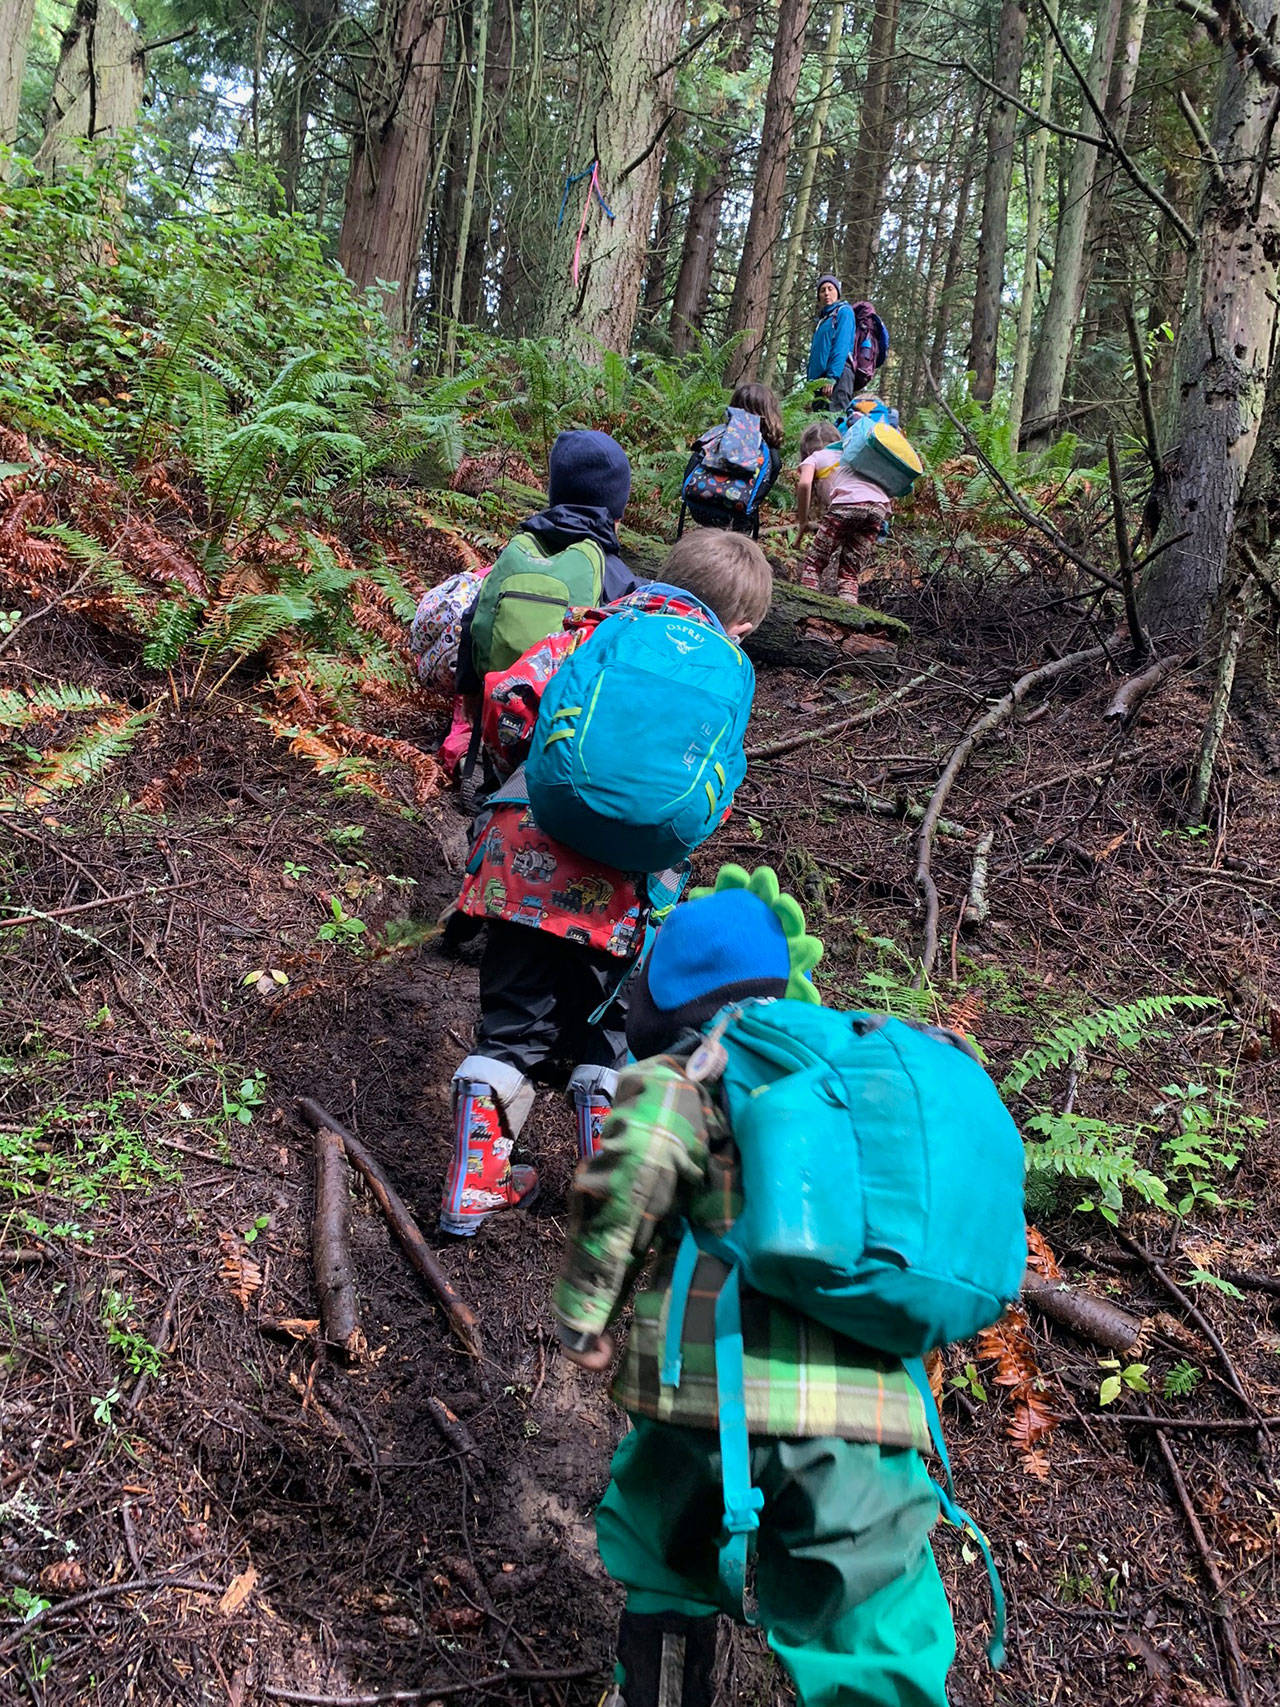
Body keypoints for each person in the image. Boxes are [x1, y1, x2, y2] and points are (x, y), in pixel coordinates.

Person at [552, 874, 959, 1707]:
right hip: (859, 1421)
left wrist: (587, 1310)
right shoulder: (849, 1073)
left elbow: (632, 1173)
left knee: (668, 1555)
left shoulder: (689, 1071)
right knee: (871, 1618)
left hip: (699, 1399)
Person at [440, 533, 773, 1237]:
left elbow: (510, 700)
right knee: (609, 1035)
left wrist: (529, 772)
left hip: (522, 853)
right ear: (740, 627)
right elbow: (713, 792)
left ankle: (475, 1186)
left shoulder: (595, 629)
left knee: (513, 1023)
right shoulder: (724, 672)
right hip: (629, 885)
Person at [454, 428, 639, 709]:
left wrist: (469, 694)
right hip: (563, 728)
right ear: (618, 512)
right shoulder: (619, 578)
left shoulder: (519, 553)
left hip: (498, 711)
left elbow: (475, 621)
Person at [793, 429, 892, 604]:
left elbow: (804, 483)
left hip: (848, 505)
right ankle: (848, 613)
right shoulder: (852, 457)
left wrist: (803, 522)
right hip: (879, 508)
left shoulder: (815, 456)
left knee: (814, 563)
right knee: (849, 572)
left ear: (807, 450)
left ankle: (806, 606)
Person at [679, 382, 785, 539]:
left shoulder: (718, 434)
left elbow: (694, 462)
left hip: (700, 506)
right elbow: (763, 489)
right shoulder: (770, 451)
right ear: (770, 413)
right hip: (739, 516)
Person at [806, 274, 856, 413]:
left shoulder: (844, 312)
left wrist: (832, 377)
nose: (826, 293)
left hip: (837, 377)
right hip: (819, 382)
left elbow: (842, 345)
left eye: (830, 289)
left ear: (837, 292)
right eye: (822, 290)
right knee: (819, 428)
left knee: (835, 424)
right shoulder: (822, 321)